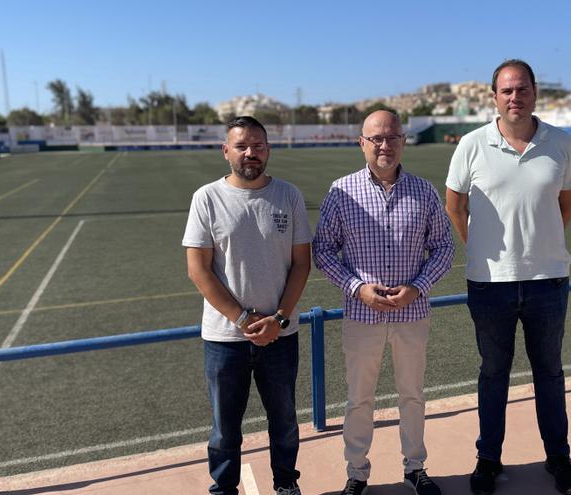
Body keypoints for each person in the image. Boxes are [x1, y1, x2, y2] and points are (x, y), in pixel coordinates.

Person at [444, 60, 571, 495]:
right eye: (506, 91)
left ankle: (558, 457)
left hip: (548, 281)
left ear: (535, 92)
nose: (514, 97)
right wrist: (481, 249)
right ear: (494, 96)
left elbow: (566, 204)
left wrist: (539, 246)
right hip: (489, 284)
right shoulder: (471, 144)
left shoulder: (560, 144)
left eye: (521, 89)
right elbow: (454, 206)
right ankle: (489, 459)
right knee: (493, 375)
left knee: (550, 374)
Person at [313, 110, 455, 495]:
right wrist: (357, 288)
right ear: (361, 143)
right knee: (360, 399)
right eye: (375, 138)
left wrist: (418, 287)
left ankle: (415, 468)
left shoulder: (424, 192)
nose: (384, 145)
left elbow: (444, 247)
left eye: (392, 137)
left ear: (403, 141)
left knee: (412, 394)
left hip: (412, 314)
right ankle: (357, 472)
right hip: (362, 315)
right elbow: (323, 250)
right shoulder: (341, 192)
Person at [183, 116, 312, 495]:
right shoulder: (206, 198)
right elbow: (198, 269)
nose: (250, 153)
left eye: (257, 145)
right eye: (241, 146)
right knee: (225, 427)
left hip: (280, 335)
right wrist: (241, 318)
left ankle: (286, 484)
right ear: (226, 152)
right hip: (225, 338)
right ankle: (224, 488)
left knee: (285, 420)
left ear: (268, 150)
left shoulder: (288, 195)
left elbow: (302, 263)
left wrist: (279, 318)